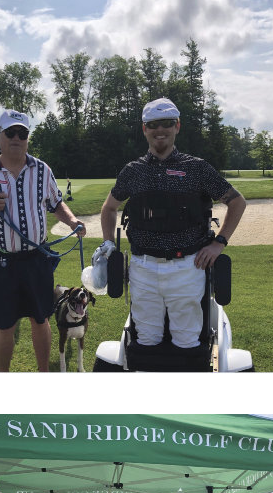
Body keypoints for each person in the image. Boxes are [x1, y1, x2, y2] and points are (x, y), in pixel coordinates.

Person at [96, 98, 246, 358]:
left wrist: (219, 242)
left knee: (187, 345)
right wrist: (109, 243)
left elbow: (237, 202)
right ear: (144, 129)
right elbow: (109, 208)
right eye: (153, 124)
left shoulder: (196, 168)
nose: (160, 129)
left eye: (166, 123)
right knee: (146, 343)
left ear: (177, 126)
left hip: (187, 268)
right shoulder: (132, 172)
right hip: (142, 269)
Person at [0, 111, 87, 371]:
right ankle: (4, 378)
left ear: (27, 138)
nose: (16, 138)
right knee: (5, 325)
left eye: (22, 133)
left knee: (41, 319)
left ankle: (43, 374)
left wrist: (72, 221)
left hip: (36, 260)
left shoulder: (41, 169)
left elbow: (56, 203)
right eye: (10, 133)